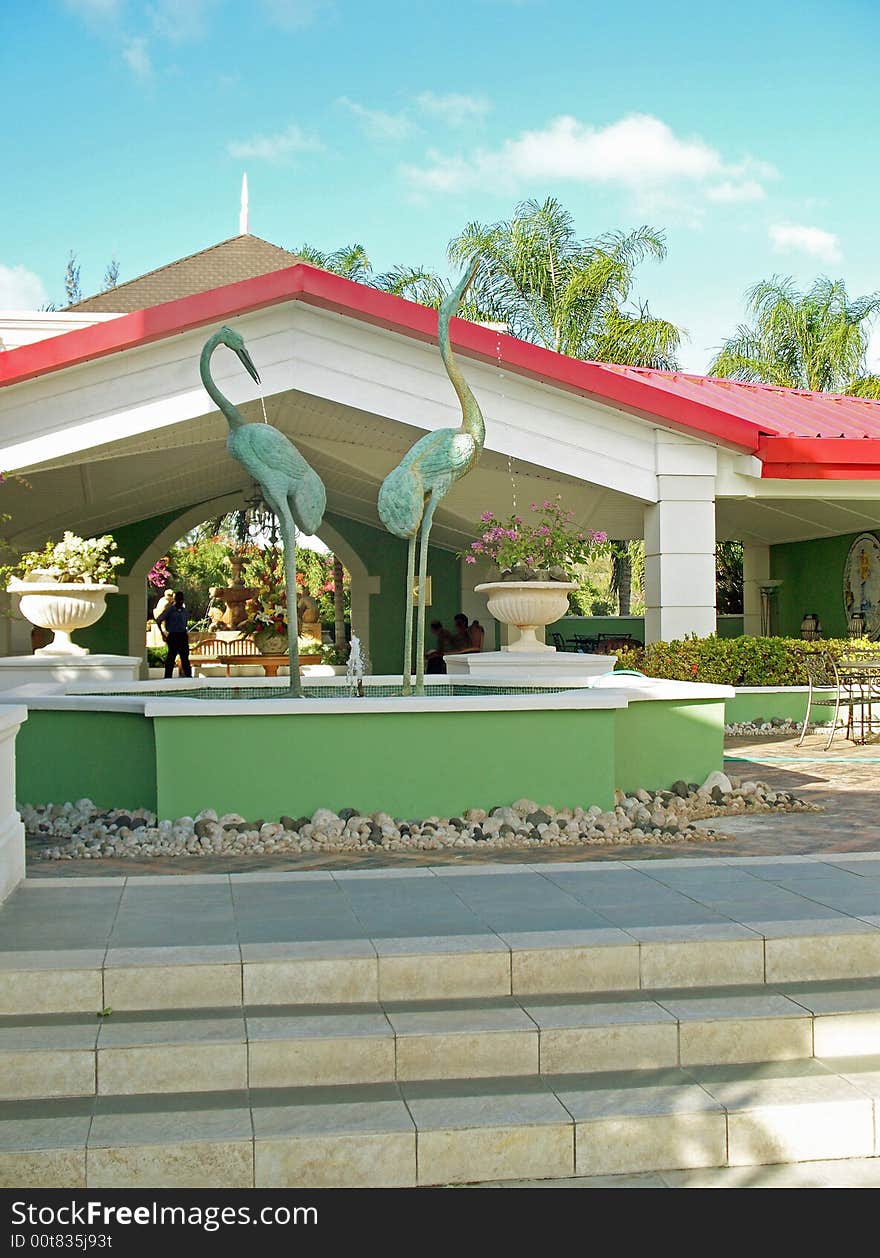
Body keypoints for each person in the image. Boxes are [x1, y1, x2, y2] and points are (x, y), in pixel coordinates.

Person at [156, 591, 192, 679]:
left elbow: (185, 623)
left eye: (181, 599)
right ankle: (167, 678)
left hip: (183, 636)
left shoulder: (184, 611)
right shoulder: (169, 610)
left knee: (185, 658)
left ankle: (188, 677)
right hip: (173, 636)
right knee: (171, 658)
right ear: (175, 599)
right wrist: (162, 634)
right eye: (178, 599)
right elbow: (158, 620)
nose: (180, 601)